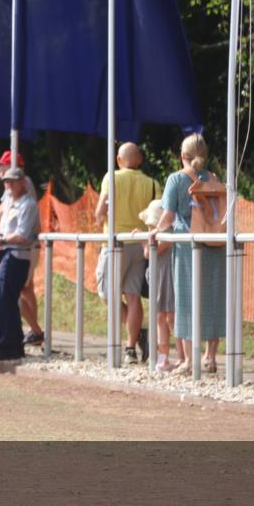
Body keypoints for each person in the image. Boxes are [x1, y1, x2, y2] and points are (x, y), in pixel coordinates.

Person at [151, 133, 226, 375]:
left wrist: (155, 232)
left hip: (187, 248)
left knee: (185, 301)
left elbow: (168, 217)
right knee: (212, 298)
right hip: (214, 244)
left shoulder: (175, 180)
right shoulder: (213, 179)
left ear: (182, 155)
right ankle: (210, 358)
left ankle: (189, 361)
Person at [94, 142, 161, 364]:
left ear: (118, 160)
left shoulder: (111, 178)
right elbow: (159, 213)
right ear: (140, 160)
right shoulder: (152, 183)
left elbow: (100, 211)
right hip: (140, 242)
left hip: (116, 243)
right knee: (133, 297)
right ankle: (131, 347)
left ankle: (136, 337)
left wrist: (99, 221)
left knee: (107, 294)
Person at [0, 151, 44, 346]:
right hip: (11, 245)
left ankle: (35, 331)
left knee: (24, 288)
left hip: (24, 245)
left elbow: (21, 219)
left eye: (3, 165)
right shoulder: (11, 188)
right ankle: (33, 331)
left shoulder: (24, 185)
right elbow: (2, 212)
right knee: (20, 290)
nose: (0, 169)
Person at [0, 167, 40, 362]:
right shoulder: (9, 203)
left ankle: (8, 346)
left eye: (11, 181)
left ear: (22, 183)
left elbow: (23, 235)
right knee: (6, 300)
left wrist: (1, 239)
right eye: (5, 181)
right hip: (8, 254)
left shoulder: (28, 204)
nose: (8, 185)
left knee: (5, 300)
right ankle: (11, 345)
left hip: (17, 256)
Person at [138, 200, 185, 372]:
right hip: (158, 275)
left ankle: (182, 356)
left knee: (171, 317)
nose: (150, 227)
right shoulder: (157, 234)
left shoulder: (168, 234)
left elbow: (151, 252)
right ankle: (163, 358)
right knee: (160, 318)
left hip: (167, 275)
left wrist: (145, 242)